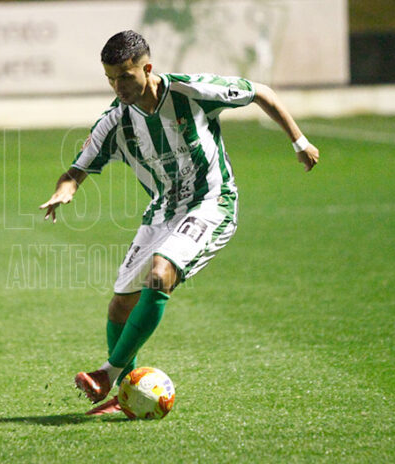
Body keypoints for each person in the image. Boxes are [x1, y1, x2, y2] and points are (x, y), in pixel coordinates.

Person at [40, 30, 319, 415]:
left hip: (211, 202)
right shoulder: (115, 121)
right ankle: (126, 396)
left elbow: (262, 92)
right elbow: (75, 171)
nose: (118, 87)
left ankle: (107, 373)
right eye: (110, 79)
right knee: (120, 306)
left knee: (160, 273)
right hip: (162, 211)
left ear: (147, 69)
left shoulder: (191, 91)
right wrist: (65, 190)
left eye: (125, 76)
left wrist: (300, 142)